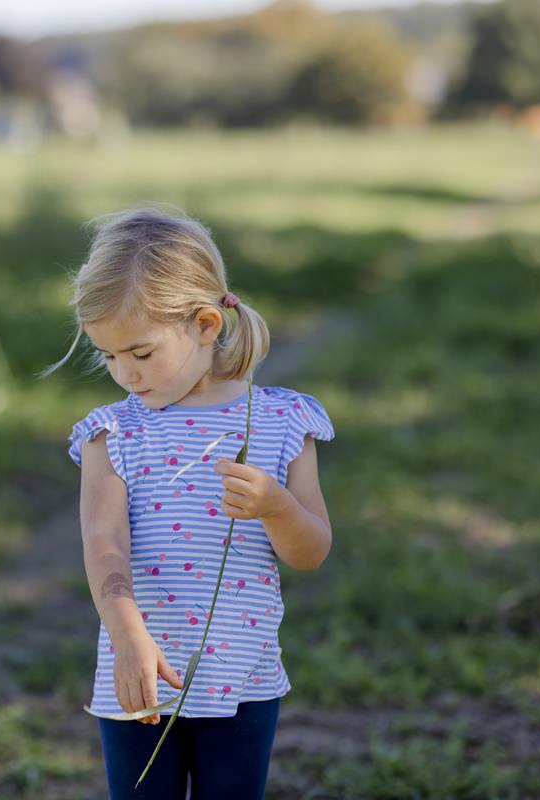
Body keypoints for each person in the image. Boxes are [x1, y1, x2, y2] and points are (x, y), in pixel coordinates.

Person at [39, 205, 336, 799]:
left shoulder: (282, 422)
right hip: (140, 679)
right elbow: (103, 545)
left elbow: (311, 553)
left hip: (244, 683)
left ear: (204, 324)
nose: (125, 374)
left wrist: (277, 506)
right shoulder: (112, 433)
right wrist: (129, 641)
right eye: (109, 356)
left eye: (141, 354)